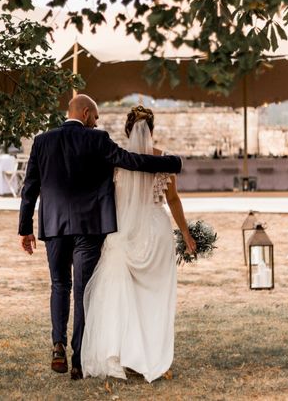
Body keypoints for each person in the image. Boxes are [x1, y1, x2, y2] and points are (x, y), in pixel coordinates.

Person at [18, 95, 183, 380]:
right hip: (89, 227)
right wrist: (171, 162)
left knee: (59, 285)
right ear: (85, 113)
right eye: (95, 117)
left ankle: (58, 345)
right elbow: (129, 160)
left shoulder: (42, 141)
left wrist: (25, 228)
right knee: (83, 291)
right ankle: (79, 360)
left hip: (54, 225)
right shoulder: (97, 139)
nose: (97, 122)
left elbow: (30, 187)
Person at [81, 105, 196, 382]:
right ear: (152, 131)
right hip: (155, 234)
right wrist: (186, 233)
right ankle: (149, 357)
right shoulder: (163, 160)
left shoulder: (116, 161)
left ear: (127, 131)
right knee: (154, 298)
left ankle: (121, 353)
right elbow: (173, 201)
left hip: (123, 233)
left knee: (121, 297)